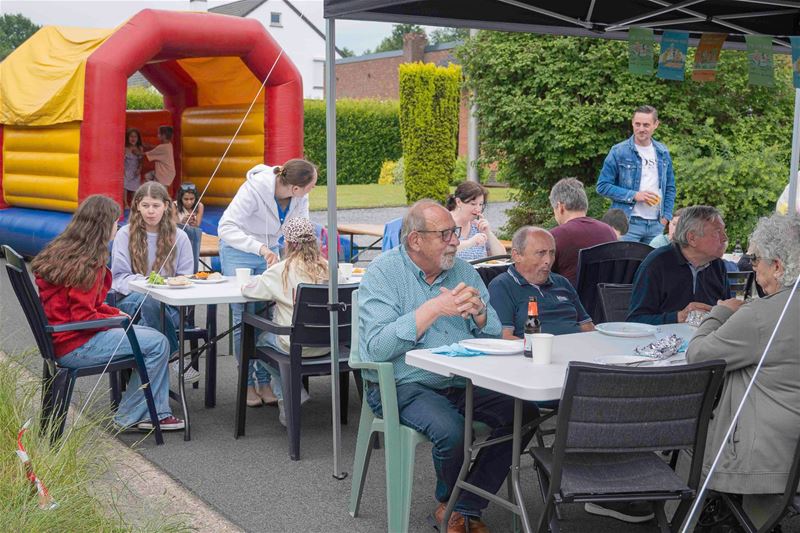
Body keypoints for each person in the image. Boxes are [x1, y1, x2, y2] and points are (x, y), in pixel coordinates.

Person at [359, 199, 537, 533]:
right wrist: (432, 310)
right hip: (405, 383)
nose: (456, 240)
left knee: (524, 414)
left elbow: (495, 329)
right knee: (454, 432)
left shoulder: (463, 271)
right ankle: (456, 506)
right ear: (416, 240)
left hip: (463, 378)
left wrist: (480, 313)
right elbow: (376, 348)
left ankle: (459, 506)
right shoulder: (383, 273)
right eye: (445, 234)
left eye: (454, 232)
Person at [32, 194, 183, 431]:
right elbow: (84, 317)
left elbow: (80, 306)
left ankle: (152, 410)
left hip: (59, 338)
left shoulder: (63, 253)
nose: (118, 226)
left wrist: (111, 312)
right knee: (159, 343)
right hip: (77, 344)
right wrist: (112, 319)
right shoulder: (88, 263)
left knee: (147, 337)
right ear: (103, 226)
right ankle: (133, 415)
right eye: (115, 222)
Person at [687, 214, 800, 529]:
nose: (753, 268)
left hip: (766, 461)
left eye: (756, 261)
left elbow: (697, 357)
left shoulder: (760, 316)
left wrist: (720, 312)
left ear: (777, 266)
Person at [218, 159, 318, 406]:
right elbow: (226, 227)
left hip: (271, 250)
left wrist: (303, 256)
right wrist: (259, 247)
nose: (312, 190)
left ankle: (264, 381)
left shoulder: (300, 198)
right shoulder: (254, 189)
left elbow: (300, 229)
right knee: (243, 316)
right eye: (311, 185)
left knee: (267, 315)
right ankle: (248, 383)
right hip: (239, 250)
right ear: (295, 187)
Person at [241, 217, 345, 423]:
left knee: (260, 341)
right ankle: (292, 392)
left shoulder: (280, 271)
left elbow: (250, 291)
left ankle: (288, 393)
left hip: (292, 345)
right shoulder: (329, 268)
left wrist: (247, 281)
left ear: (287, 243)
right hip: (328, 345)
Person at [111, 182, 197, 383]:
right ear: (137, 207)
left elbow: (186, 278)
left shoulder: (180, 237)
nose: (150, 211)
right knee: (148, 301)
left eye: (156, 206)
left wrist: (166, 286)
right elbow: (118, 278)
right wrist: (145, 284)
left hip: (171, 308)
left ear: (166, 206)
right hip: (130, 304)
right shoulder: (125, 234)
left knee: (147, 322)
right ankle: (175, 358)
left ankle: (144, 389)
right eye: (145, 205)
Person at [628, 205, 730, 325]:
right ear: (692, 238)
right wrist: (679, 317)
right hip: (665, 341)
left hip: (706, 340)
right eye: (717, 232)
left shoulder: (717, 265)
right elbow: (635, 320)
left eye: (724, 231)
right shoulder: (657, 264)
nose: (725, 238)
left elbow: (725, 311)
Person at [489, 226, 594, 338]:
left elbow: (587, 326)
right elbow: (505, 337)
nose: (548, 260)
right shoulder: (502, 286)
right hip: (536, 353)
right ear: (517, 256)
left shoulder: (561, 282)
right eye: (541, 253)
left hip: (577, 349)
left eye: (552, 253)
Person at [596, 105, 676, 244]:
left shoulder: (663, 152)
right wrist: (634, 195)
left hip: (656, 223)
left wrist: (666, 217)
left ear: (656, 124)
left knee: (652, 266)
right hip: (627, 223)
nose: (641, 129)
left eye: (646, 125)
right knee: (625, 265)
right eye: (637, 124)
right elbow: (602, 186)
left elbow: (670, 187)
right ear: (632, 122)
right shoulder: (618, 151)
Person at [548, 178, 617, 286]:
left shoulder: (555, 236)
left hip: (569, 300)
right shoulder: (609, 232)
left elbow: (539, 276)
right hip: (606, 300)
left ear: (560, 207)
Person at [446, 181, 506, 261]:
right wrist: (471, 242)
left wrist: (488, 232)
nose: (478, 209)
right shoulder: (444, 222)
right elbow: (442, 251)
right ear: (458, 202)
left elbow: (502, 258)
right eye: (473, 204)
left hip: (480, 273)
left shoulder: (477, 226)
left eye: (480, 204)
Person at [175, 182, 204, 272]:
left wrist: (192, 222)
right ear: (181, 198)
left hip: (194, 234)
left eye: (192, 199)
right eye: (186, 199)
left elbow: (197, 225)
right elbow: (174, 224)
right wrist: (182, 222)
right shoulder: (174, 206)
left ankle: (201, 271)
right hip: (178, 236)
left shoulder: (199, 206)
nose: (189, 202)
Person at [123, 128, 143, 209]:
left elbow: (141, 161)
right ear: (128, 138)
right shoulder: (125, 148)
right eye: (131, 136)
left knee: (135, 187)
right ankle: (125, 203)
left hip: (135, 170)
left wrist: (139, 169)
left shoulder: (140, 148)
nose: (133, 139)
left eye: (135, 137)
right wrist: (123, 170)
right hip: (127, 169)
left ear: (138, 139)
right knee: (124, 186)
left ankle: (133, 203)